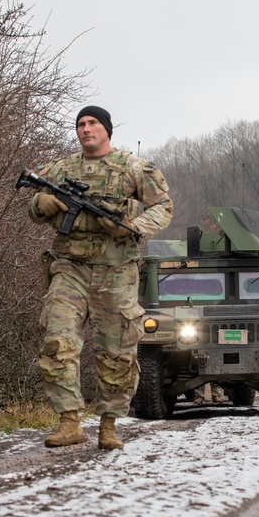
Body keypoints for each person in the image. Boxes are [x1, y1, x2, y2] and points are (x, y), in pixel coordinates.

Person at [27, 106, 173, 450]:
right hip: (69, 266)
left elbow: (163, 207)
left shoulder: (135, 168)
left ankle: (108, 426)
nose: (86, 129)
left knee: (117, 351)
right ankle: (69, 422)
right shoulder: (62, 168)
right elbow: (34, 206)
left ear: (107, 130)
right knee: (57, 341)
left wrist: (133, 226)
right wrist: (41, 203)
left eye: (93, 123)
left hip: (117, 270)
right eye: (80, 124)